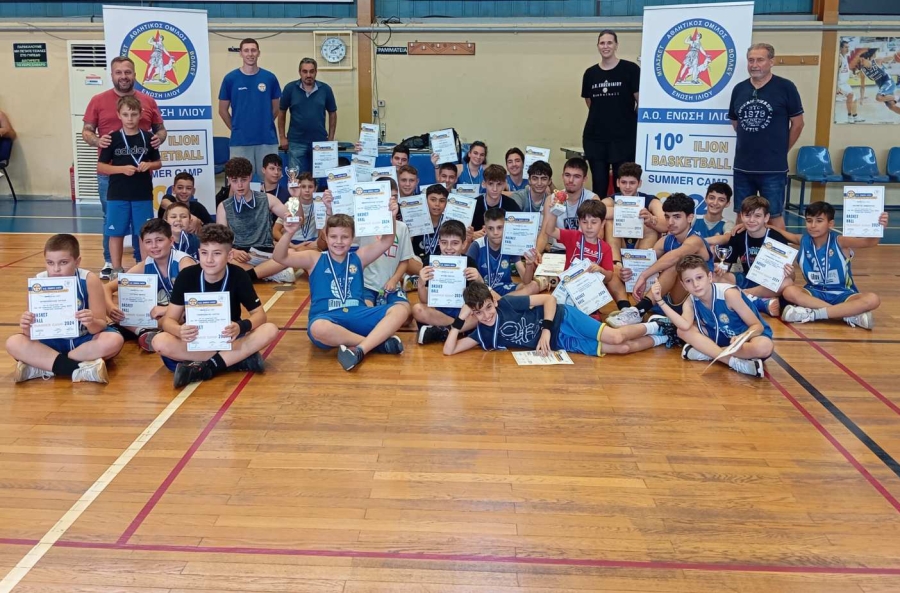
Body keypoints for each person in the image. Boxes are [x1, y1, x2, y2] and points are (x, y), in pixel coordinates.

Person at [273, 199, 408, 372]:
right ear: (325, 236)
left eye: (345, 237)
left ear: (352, 238)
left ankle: (361, 349)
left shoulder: (358, 257)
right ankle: (375, 344)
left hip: (357, 315)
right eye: (334, 237)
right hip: (327, 318)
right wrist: (288, 233)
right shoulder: (314, 258)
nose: (339, 242)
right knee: (318, 328)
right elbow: (279, 257)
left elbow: (386, 241)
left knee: (400, 310)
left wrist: (391, 216)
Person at [152, 224, 279, 387]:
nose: (209, 260)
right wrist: (179, 330)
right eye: (204, 253)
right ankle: (236, 360)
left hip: (230, 338)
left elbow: (260, 316)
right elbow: (168, 320)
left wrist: (240, 327)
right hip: (196, 340)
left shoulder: (239, 275)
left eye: (217, 253)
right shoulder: (187, 276)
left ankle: (206, 368)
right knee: (159, 342)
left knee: (270, 330)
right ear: (199, 252)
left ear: (229, 255)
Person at [83, 56, 166, 280]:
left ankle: (143, 265)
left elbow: (160, 130)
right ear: (112, 75)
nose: (123, 76)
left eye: (127, 72)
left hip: (140, 179)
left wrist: (158, 138)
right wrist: (97, 141)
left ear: (134, 74)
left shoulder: (147, 101)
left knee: (143, 226)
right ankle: (111, 263)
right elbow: (87, 131)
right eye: (118, 72)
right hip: (112, 176)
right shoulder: (98, 100)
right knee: (111, 220)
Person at [7, 234, 124, 384]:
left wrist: (91, 322)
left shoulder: (88, 279)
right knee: (13, 342)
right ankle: (79, 369)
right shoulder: (38, 282)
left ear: (77, 261)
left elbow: (100, 325)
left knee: (114, 340)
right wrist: (26, 325)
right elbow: (30, 333)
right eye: (50, 263)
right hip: (50, 343)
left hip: (82, 342)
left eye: (63, 262)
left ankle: (45, 366)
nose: (56, 269)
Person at [443, 282, 673, 357]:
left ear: (493, 302)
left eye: (488, 307)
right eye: (478, 313)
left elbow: (549, 299)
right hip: (561, 343)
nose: (486, 315)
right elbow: (448, 350)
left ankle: (657, 324)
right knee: (622, 349)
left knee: (616, 337)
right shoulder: (482, 334)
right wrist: (460, 320)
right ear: (472, 314)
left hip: (563, 319)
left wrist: (545, 329)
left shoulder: (507, 304)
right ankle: (664, 337)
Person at [650, 255, 773, 378]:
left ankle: (708, 353)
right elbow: (684, 325)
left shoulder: (728, 294)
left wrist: (741, 338)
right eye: (688, 281)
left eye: (699, 277)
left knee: (764, 347)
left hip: (746, 338)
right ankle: (733, 362)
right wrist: (660, 301)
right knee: (682, 331)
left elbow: (757, 327)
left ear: (709, 277)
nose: (695, 284)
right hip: (722, 337)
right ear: (683, 285)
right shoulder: (690, 301)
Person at [729, 43, 804, 230]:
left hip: (773, 169)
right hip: (743, 167)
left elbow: (798, 123)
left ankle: (779, 250)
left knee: (774, 216)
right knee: (742, 215)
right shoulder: (739, 89)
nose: (754, 65)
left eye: (760, 60)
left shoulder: (786, 87)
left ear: (771, 62)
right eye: (751, 60)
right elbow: (736, 122)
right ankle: (742, 249)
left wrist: (781, 150)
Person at [613, 193, 715, 326]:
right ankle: (637, 310)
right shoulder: (666, 240)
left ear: (690, 217)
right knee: (619, 270)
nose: (670, 222)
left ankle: (640, 310)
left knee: (677, 264)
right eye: (667, 217)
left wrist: (644, 275)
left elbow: (675, 256)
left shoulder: (695, 240)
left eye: (677, 217)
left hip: (698, 299)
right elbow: (646, 262)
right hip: (670, 298)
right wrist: (630, 271)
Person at [780, 202, 887, 329]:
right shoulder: (803, 240)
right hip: (814, 292)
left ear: (830, 224)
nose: (813, 225)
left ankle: (814, 314)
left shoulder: (840, 241)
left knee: (873, 299)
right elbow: (780, 233)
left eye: (819, 221)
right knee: (789, 291)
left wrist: (879, 226)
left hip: (844, 294)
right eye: (809, 221)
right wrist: (766, 225)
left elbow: (869, 242)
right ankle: (845, 314)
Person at [104, 218, 195, 349]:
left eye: (159, 240)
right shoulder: (146, 265)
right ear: (143, 244)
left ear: (171, 241)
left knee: (181, 315)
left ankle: (137, 329)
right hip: (157, 314)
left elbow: (196, 301)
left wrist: (166, 309)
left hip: (181, 312)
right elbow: (107, 288)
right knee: (118, 309)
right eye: (148, 242)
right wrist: (111, 308)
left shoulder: (184, 263)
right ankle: (142, 331)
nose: (154, 246)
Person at [97, 96, 162, 278]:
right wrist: (121, 169)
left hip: (142, 194)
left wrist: (149, 165)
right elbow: (101, 167)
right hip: (117, 194)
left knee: (144, 232)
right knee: (116, 232)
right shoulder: (112, 138)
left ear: (140, 114)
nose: (130, 118)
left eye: (134, 114)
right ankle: (116, 269)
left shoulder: (148, 138)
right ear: (119, 115)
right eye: (126, 114)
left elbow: (158, 163)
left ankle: (145, 268)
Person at [540, 199, 631, 312]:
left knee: (590, 321)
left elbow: (609, 277)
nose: (589, 226)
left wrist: (601, 270)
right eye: (584, 222)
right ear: (579, 222)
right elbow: (550, 231)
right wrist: (555, 212)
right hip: (566, 291)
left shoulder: (605, 248)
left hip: (589, 297)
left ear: (602, 223)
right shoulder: (573, 236)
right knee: (559, 316)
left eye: (594, 222)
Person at [215, 157, 296, 283]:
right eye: (235, 181)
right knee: (224, 258)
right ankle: (270, 274)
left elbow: (293, 219)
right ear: (229, 180)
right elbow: (221, 240)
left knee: (291, 253)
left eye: (243, 180)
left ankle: (250, 276)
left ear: (250, 177)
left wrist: (295, 198)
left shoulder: (267, 199)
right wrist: (232, 251)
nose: (240, 185)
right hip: (240, 255)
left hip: (267, 253)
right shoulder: (224, 206)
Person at [581, 30, 640, 196]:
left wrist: (626, 120)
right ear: (598, 46)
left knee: (623, 187)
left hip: (623, 140)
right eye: (602, 43)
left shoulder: (631, 69)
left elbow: (640, 102)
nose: (605, 46)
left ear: (616, 45)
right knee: (599, 185)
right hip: (595, 139)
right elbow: (590, 103)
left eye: (609, 43)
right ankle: (598, 213)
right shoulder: (590, 74)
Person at [218, 38, 282, 179]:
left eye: (253, 50)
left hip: (267, 140)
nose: (250, 54)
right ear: (240, 53)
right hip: (240, 141)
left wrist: (265, 124)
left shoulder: (270, 78)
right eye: (246, 50)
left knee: (270, 180)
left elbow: (276, 108)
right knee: (240, 180)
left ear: (258, 53)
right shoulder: (230, 79)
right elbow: (222, 110)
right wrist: (236, 128)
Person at [413, 220, 484, 345]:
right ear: (439, 242)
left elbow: (482, 297)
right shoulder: (430, 262)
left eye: (455, 243)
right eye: (444, 242)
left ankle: (444, 330)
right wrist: (421, 284)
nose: (449, 248)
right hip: (439, 311)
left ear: (464, 244)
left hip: (463, 311)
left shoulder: (469, 262)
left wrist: (478, 279)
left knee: (482, 313)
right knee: (417, 309)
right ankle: (457, 329)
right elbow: (424, 301)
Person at [718, 196, 791, 307]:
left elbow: (789, 276)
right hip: (746, 279)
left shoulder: (777, 239)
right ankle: (757, 301)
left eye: (757, 216)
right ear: (741, 216)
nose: (751, 220)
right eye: (747, 215)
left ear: (766, 218)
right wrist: (719, 269)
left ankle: (743, 295)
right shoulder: (737, 235)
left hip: (768, 284)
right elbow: (726, 265)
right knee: (716, 277)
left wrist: (790, 272)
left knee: (787, 282)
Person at [602, 163, 667, 276]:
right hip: (619, 245)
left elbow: (665, 224)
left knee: (650, 224)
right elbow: (596, 212)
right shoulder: (610, 200)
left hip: (641, 245)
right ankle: (616, 264)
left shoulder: (651, 200)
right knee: (609, 221)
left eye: (632, 183)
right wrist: (631, 211)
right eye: (624, 182)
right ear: (617, 182)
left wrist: (651, 219)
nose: (627, 187)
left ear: (639, 183)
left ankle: (641, 267)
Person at [467, 208, 546, 298]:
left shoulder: (510, 244)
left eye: (499, 228)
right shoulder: (476, 246)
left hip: (505, 287)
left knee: (534, 285)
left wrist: (529, 264)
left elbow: (526, 281)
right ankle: (504, 302)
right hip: (484, 289)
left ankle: (500, 301)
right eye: (491, 228)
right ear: (485, 229)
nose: (495, 233)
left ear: (507, 227)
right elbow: (468, 276)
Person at [278, 57, 337, 174]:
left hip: (320, 142)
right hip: (296, 142)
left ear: (316, 72)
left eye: (311, 71)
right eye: (305, 71)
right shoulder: (290, 88)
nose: (308, 75)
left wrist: (331, 138)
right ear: (299, 72)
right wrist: (282, 137)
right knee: (296, 178)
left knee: (319, 178)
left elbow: (333, 113)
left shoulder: (325, 89)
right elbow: (281, 112)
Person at [536, 157, 598, 253]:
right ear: (562, 176)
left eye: (576, 176)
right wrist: (537, 254)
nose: (571, 180)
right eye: (567, 175)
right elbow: (544, 234)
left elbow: (597, 236)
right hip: (558, 251)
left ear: (584, 179)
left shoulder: (592, 199)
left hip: (582, 252)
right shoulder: (552, 199)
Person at [273, 171, 319, 250]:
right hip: (293, 242)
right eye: (303, 187)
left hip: (312, 242)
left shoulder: (320, 204)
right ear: (298, 187)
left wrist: (318, 241)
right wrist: (290, 244)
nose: (307, 190)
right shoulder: (290, 203)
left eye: (310, 187)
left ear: (315, 188)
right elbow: (275, 230)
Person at [471, 164, 522, 232]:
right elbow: (463, 232)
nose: (495, 189)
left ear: (504, 184)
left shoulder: (512, 205)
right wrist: (473, 235)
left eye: (499, 184)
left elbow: (519, 231)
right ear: (484, 184)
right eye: (490, 184)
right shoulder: (473, 205)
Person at [851, 47, 900, 116]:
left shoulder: (877, 61)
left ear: (867, 58)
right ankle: (896, 98)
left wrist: (896, 54)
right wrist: (861, 99)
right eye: (860, 61)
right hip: (882, 87)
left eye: (862, 60)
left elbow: (891, 57)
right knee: (891, 106)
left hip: (888, 82)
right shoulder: (863, 71)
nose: (861, 62)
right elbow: (862, 86)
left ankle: (897, 97)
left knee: (878, 97)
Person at [411, 184, 450, 259]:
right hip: (417, 264)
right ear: (425, 201)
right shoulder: (415, 223)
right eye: (433, 200)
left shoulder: (449, 225)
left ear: (446, 203)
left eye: (442, 201)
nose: (437, 204)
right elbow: (405, 253)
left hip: (442, 264)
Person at [838, 39, 865, 123]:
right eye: (845, 47)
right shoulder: (839, 58)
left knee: (854, 99)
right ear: (840, 48)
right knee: (850, 95)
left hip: (844, 83)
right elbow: (834, 73)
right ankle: (849, 117)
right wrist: (836, 87)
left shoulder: (845, 57)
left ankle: (855, 117)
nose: (847, 49)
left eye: (848, 47)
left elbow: (845, 70)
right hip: (839, 84)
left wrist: (853, 75)